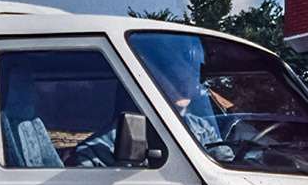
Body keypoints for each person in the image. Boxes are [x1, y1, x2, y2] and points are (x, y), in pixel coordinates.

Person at [72, 40, 225, 167]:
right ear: (148, 75)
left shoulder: (203, 129)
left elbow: (226, 166)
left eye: (195, 72)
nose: (187, 81)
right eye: (171, 74)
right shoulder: (105, 145)